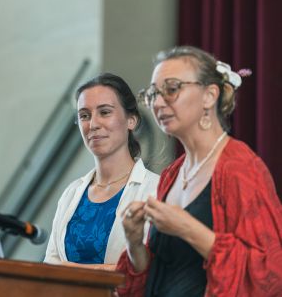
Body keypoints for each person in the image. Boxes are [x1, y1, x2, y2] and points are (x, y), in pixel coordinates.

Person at [117, 46, 282, 296]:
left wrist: (187, 228)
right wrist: (134, 242)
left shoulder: (240, 167)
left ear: (209, 95)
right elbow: (164, 272)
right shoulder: (172, 174)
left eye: (171, 89)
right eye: (152, 94)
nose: (158, 102)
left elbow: (268, 274)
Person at [44, 73, 159, 270]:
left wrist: (71, 270)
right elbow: (49, 267)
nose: (93, 124)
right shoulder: (71, 193)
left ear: (131, 120)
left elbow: (148, 272)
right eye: (84, 115)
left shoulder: (156, 190)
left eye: (105, 112)